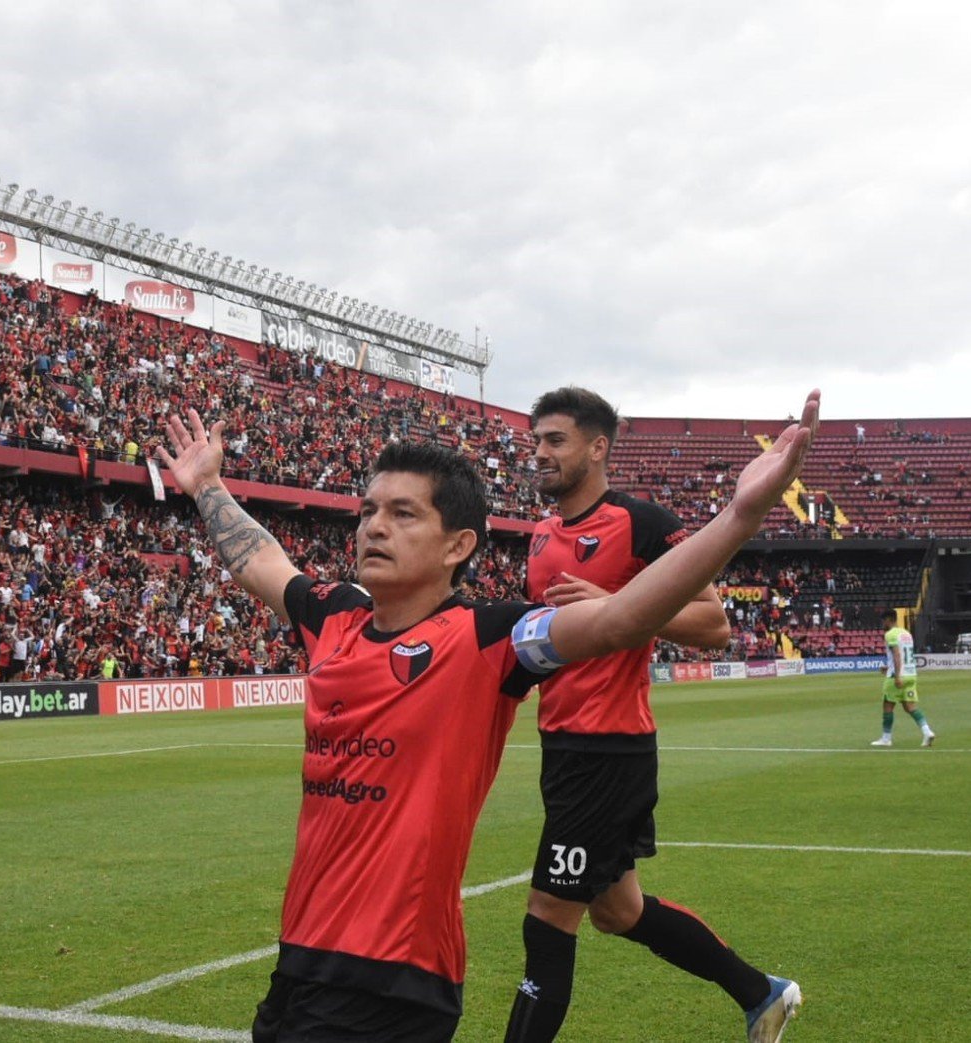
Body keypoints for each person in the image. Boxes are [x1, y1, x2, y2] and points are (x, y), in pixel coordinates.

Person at [157, 391, 818, 1041]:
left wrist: (737, 517)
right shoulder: (331, 616)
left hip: (391, 980)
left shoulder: (487, 638)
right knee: (619, 910)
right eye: (367, 511)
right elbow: (260, 560)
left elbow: (620, 618)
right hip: (300, 963)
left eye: (403, 513)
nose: (374, 527)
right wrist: (206, 486)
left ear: (458, 545)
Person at [504, 387, 798, 1043]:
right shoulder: (541, 535)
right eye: (535, 441)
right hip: (563, 745)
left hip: (608, 750)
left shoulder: (641, 522)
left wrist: (619, 602)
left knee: (548, 913)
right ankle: (761, 993)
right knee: (617, 909)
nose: (540, 453)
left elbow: (713, 623)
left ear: (597, 446)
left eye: (555, 440)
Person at [870, 608, 935, 747]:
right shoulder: (907, 633)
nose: (882, 624)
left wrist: (897, 675)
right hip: (911, 674)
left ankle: (886, 739)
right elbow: (906, 656)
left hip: (898, 676)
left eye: (883, 621)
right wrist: (888, 667)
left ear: (888, 619)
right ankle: (927, 731)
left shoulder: (890, 634)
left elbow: (897, 655)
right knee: (910, 707)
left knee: (887, 706)